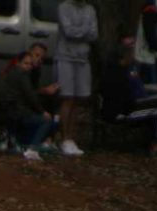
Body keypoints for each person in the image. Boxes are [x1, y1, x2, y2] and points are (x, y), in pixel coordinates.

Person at [100, 40, 157, 154]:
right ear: (126, 56)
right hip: (120, 112)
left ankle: (149, 140)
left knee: (155, 104)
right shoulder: (120, 74)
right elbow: (125, 99)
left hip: (116, 108)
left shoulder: (112, 69)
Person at [0, 52, 58, 160]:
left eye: (30, 64)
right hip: (15, 111)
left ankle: (16, 142)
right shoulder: (22, 75)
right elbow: (30, 95)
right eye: (25, 63)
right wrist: (42, 111)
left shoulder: (10, 73)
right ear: (18, 63)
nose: (28, 66)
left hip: (5, 110)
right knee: (46, 121)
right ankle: (33, 148)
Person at [56, 0, 98, 157]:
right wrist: (85, 30)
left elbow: (94, 34)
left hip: (83, 59)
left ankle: (72, 138)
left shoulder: (90, 9)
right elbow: (68, 32)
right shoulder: (64, 7)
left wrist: (80, 32)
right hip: (66, 56)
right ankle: (64, 138)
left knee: (80, 99)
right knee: (68, 97)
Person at [135, 0, 157, 85]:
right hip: (146, 54)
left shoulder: (151, 8)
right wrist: (155, 48)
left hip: (143, 53)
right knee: (151, 86)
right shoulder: (151, 9)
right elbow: (150, 32)